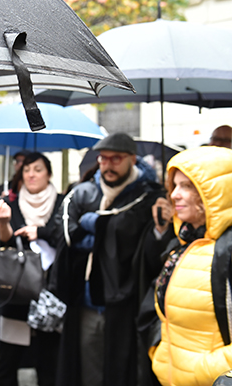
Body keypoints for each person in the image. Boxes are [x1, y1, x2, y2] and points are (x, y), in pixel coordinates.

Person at [52, 132, 171, 386]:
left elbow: (148, 251)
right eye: (103, 159)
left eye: (116, 159)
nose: (108, 165)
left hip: (129, 304)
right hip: (86, 302)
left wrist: (158, 231)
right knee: (88, 371)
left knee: (125, 371)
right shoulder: (82, 193)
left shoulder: (149, 197)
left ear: (132, 159)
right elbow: (66, 238)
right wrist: (109, 230)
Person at [145, 146, 232, 386]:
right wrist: (160, 355)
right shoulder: (183, 243)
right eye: (174, 185)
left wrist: (203, 371)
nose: (174, 195)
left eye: (187, 186)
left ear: (215, 192)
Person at [0, 152, 63, 386]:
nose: (31, 175)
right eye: (27, 170)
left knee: (49, 362)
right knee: (8, 362)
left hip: (51, 293)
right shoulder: (11, 204)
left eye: (38, 169)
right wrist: (3, 223)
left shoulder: (63, 203)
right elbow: (4, 244)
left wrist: (39, 232)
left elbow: (66, 237)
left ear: (49, 174)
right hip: (18, 292)